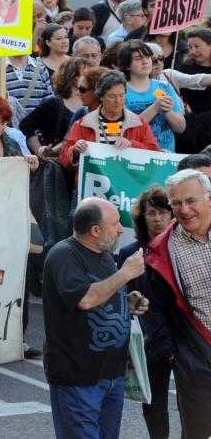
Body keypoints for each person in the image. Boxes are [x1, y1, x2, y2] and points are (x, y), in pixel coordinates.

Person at [43, 197, 149, 439]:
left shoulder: (103, 254)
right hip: (77, 378)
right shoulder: (64, 255)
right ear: (95, 230)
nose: (121, 229)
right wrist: (125, 273)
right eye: (115, 223)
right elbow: (85, 299)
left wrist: (126, 302)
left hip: (111, 375)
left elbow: (103, 293)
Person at [144, 168, 211, 439]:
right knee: (198, 431)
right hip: (197, 355)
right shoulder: (161, 250)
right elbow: (158, 310)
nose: (184, 210)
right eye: (177, 203)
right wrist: (178, 355)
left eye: (191, 201)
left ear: (208, 198)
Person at [116, 184, 174, 438]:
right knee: (154, 405)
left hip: (184, 337)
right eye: (152, 213)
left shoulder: (181, 249)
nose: (158, 218)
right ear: (142, 216)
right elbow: (121, 296)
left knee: (192, 402)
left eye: (163, 212)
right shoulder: (130, 253)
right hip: (150, 339)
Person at [60, 71, 160, 172]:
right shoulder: (83, 124)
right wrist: (75, 151)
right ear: (101, 97)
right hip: (94, 179)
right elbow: (63, 159)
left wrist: (132, 145)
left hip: (127, 179)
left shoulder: (139, 123)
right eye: (112, 96)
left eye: (121, 95)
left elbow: (154, 153)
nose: (118, 101)